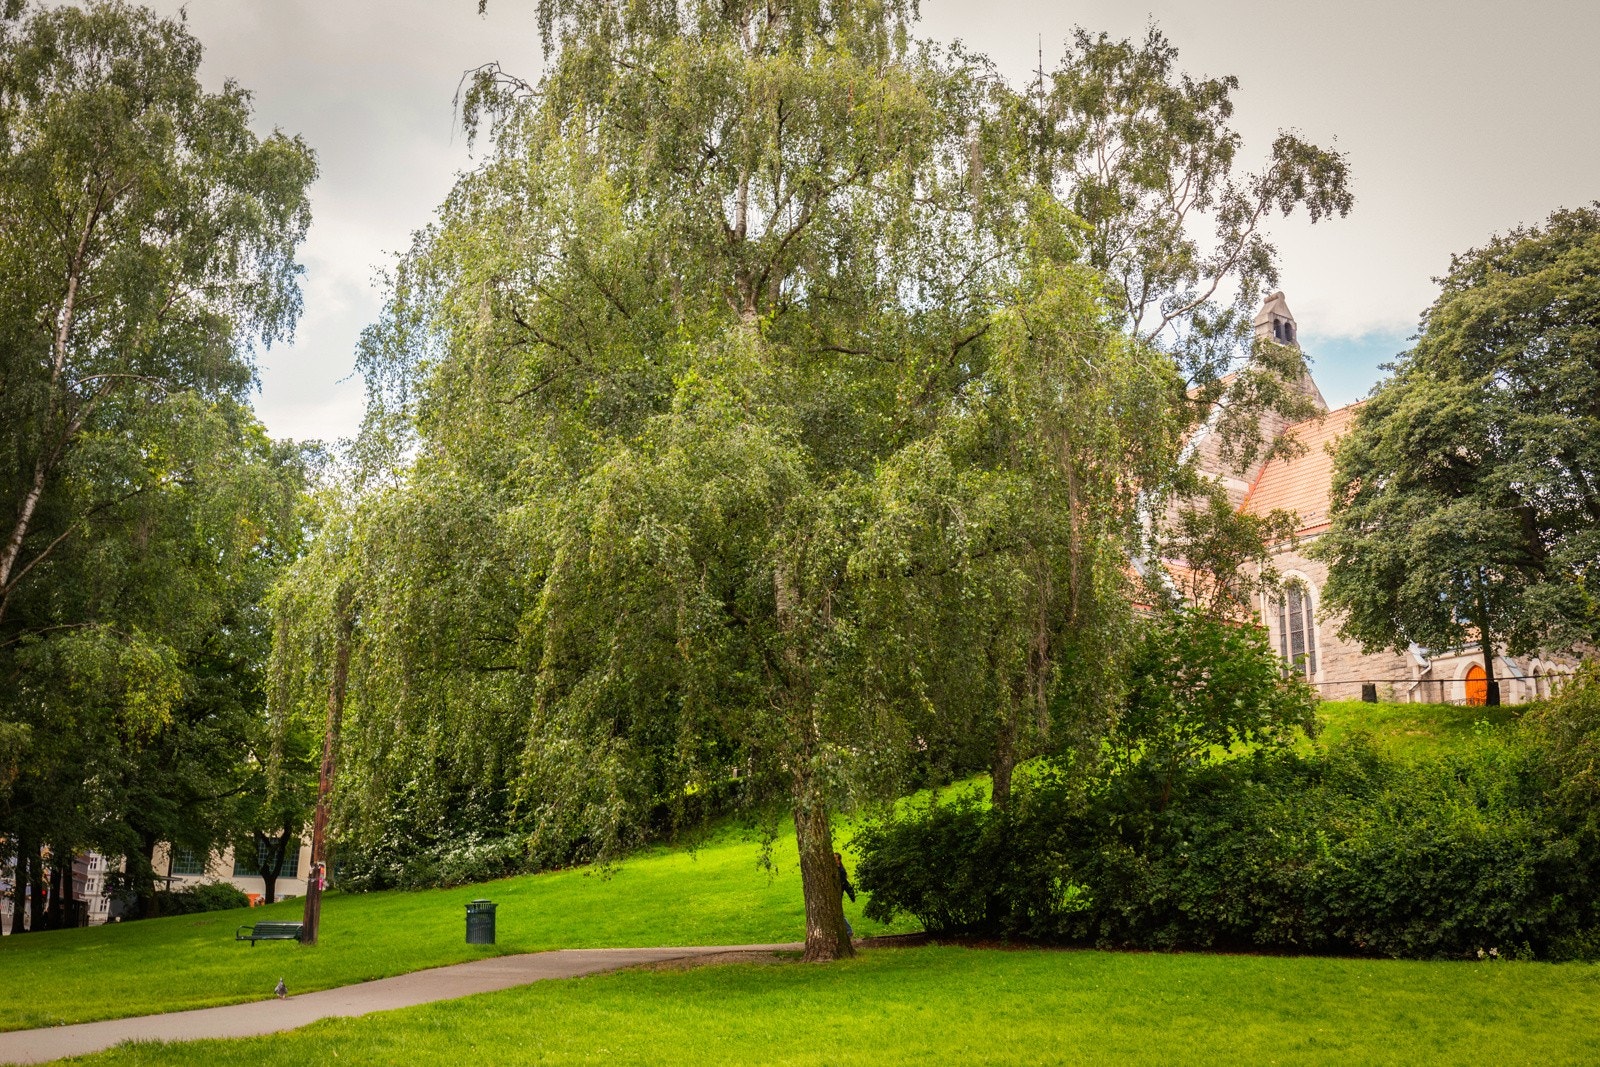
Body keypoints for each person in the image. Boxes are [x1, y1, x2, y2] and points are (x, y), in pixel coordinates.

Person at [834, 852, 856, 940]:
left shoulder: (841, 871)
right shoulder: (835, 869)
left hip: (837, 894)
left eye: (835, 858)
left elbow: (843, 884)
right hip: (836, 894)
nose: (833, 860)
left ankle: (849, 931)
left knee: (839, 913)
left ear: (838, 860)